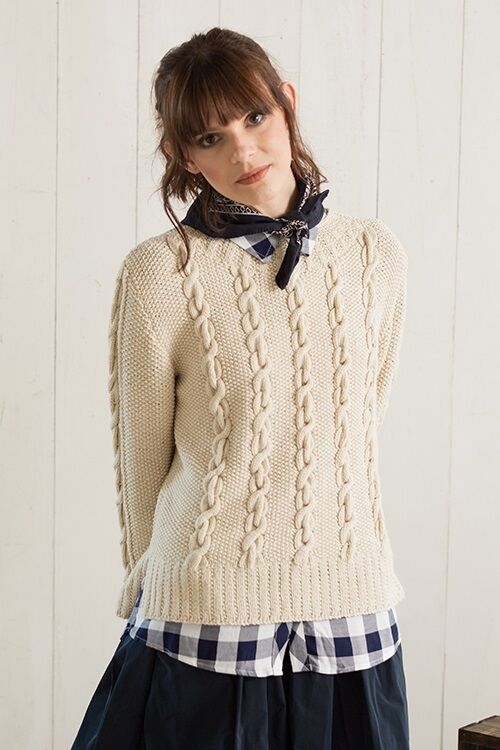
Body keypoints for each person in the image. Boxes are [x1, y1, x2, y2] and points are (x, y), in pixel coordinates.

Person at [71, 26, 410, 750]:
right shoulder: (161, 273)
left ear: (287, 104)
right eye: (210, 137)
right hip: (207, 613)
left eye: (255, 117)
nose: (243, 151)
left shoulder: (373, 254)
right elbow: (141, 451)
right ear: (182, 156)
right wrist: (147, 576)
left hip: (351, 603)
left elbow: (361, 421)